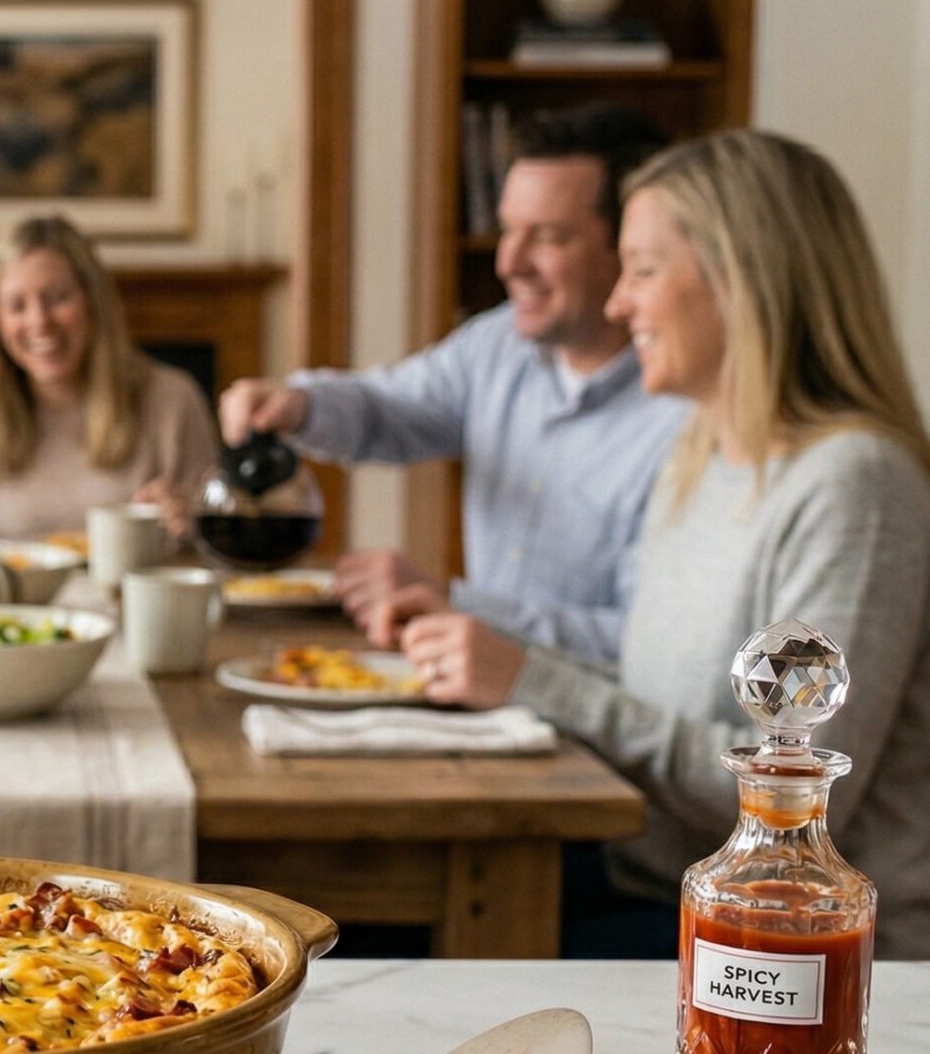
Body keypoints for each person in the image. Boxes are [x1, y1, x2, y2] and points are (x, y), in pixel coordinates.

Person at [397, 129, 930, 959]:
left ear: (744, 283)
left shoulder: (852, 488)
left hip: (797, 950)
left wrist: (533, 677)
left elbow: (794, 797)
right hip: (670, 886)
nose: (619, 304)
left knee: (398, 951)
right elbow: (656, 694)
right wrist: (499, 655)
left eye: (643, 269)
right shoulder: (702, 458)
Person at [220, 104, 682, 664]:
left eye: (550, 238)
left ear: (630, 250)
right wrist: (298, 404)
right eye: (509, 230)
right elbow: (388, 407)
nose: (509, 262)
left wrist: (459, 605)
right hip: (476, 704)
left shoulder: (687, 417)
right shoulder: (496, 345)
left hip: (590, 733)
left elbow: (653, 652)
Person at [0, 214, 217, 542]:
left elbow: (211, 548)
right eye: (17, 306)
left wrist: (190, 523)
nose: (39, 322)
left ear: (92, 301)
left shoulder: (173, 401)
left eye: (57, 298)